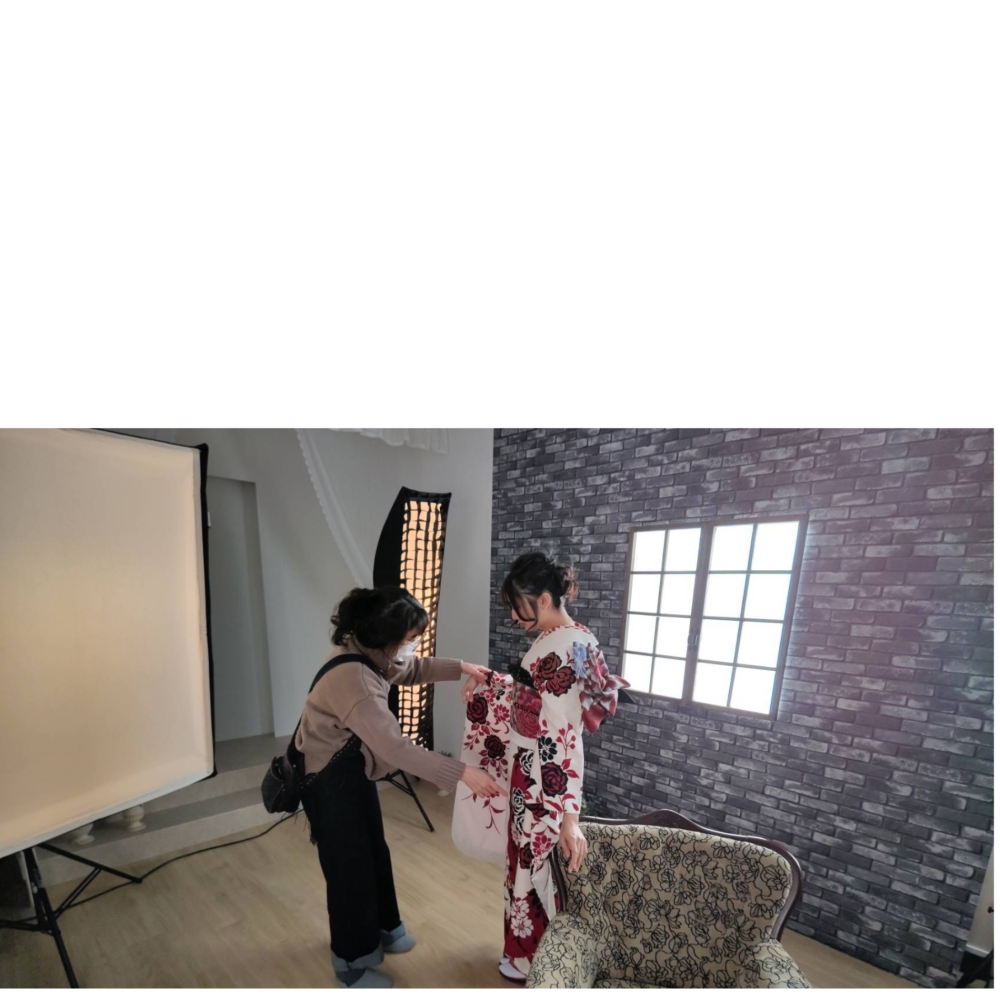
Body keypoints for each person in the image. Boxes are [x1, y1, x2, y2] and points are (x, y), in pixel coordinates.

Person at [297, 585, 506, 989]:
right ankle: (351, 962)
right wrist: (463, 773)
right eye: (410, 639)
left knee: (375, 852)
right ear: (386, 636)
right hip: (327, 779)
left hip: (351, 769)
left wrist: (463, 667)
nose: (413, 646)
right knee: (349, 870)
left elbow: (409, 669)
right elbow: (394, 747)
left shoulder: (372, 654)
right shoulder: (354, 678)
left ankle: (385, 929)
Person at [463, 552, 627, 982]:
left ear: (544, 599)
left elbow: (566, 735)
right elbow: (527, 692)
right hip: (532, 768)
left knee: (537, 867)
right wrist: (486, 679)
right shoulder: (562, 637)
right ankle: (523, 953)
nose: (514, 616)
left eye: (518, 605)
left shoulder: (571, 646)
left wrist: (570, 816)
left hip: (545, 777)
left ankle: (539, 962)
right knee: (523, 863)